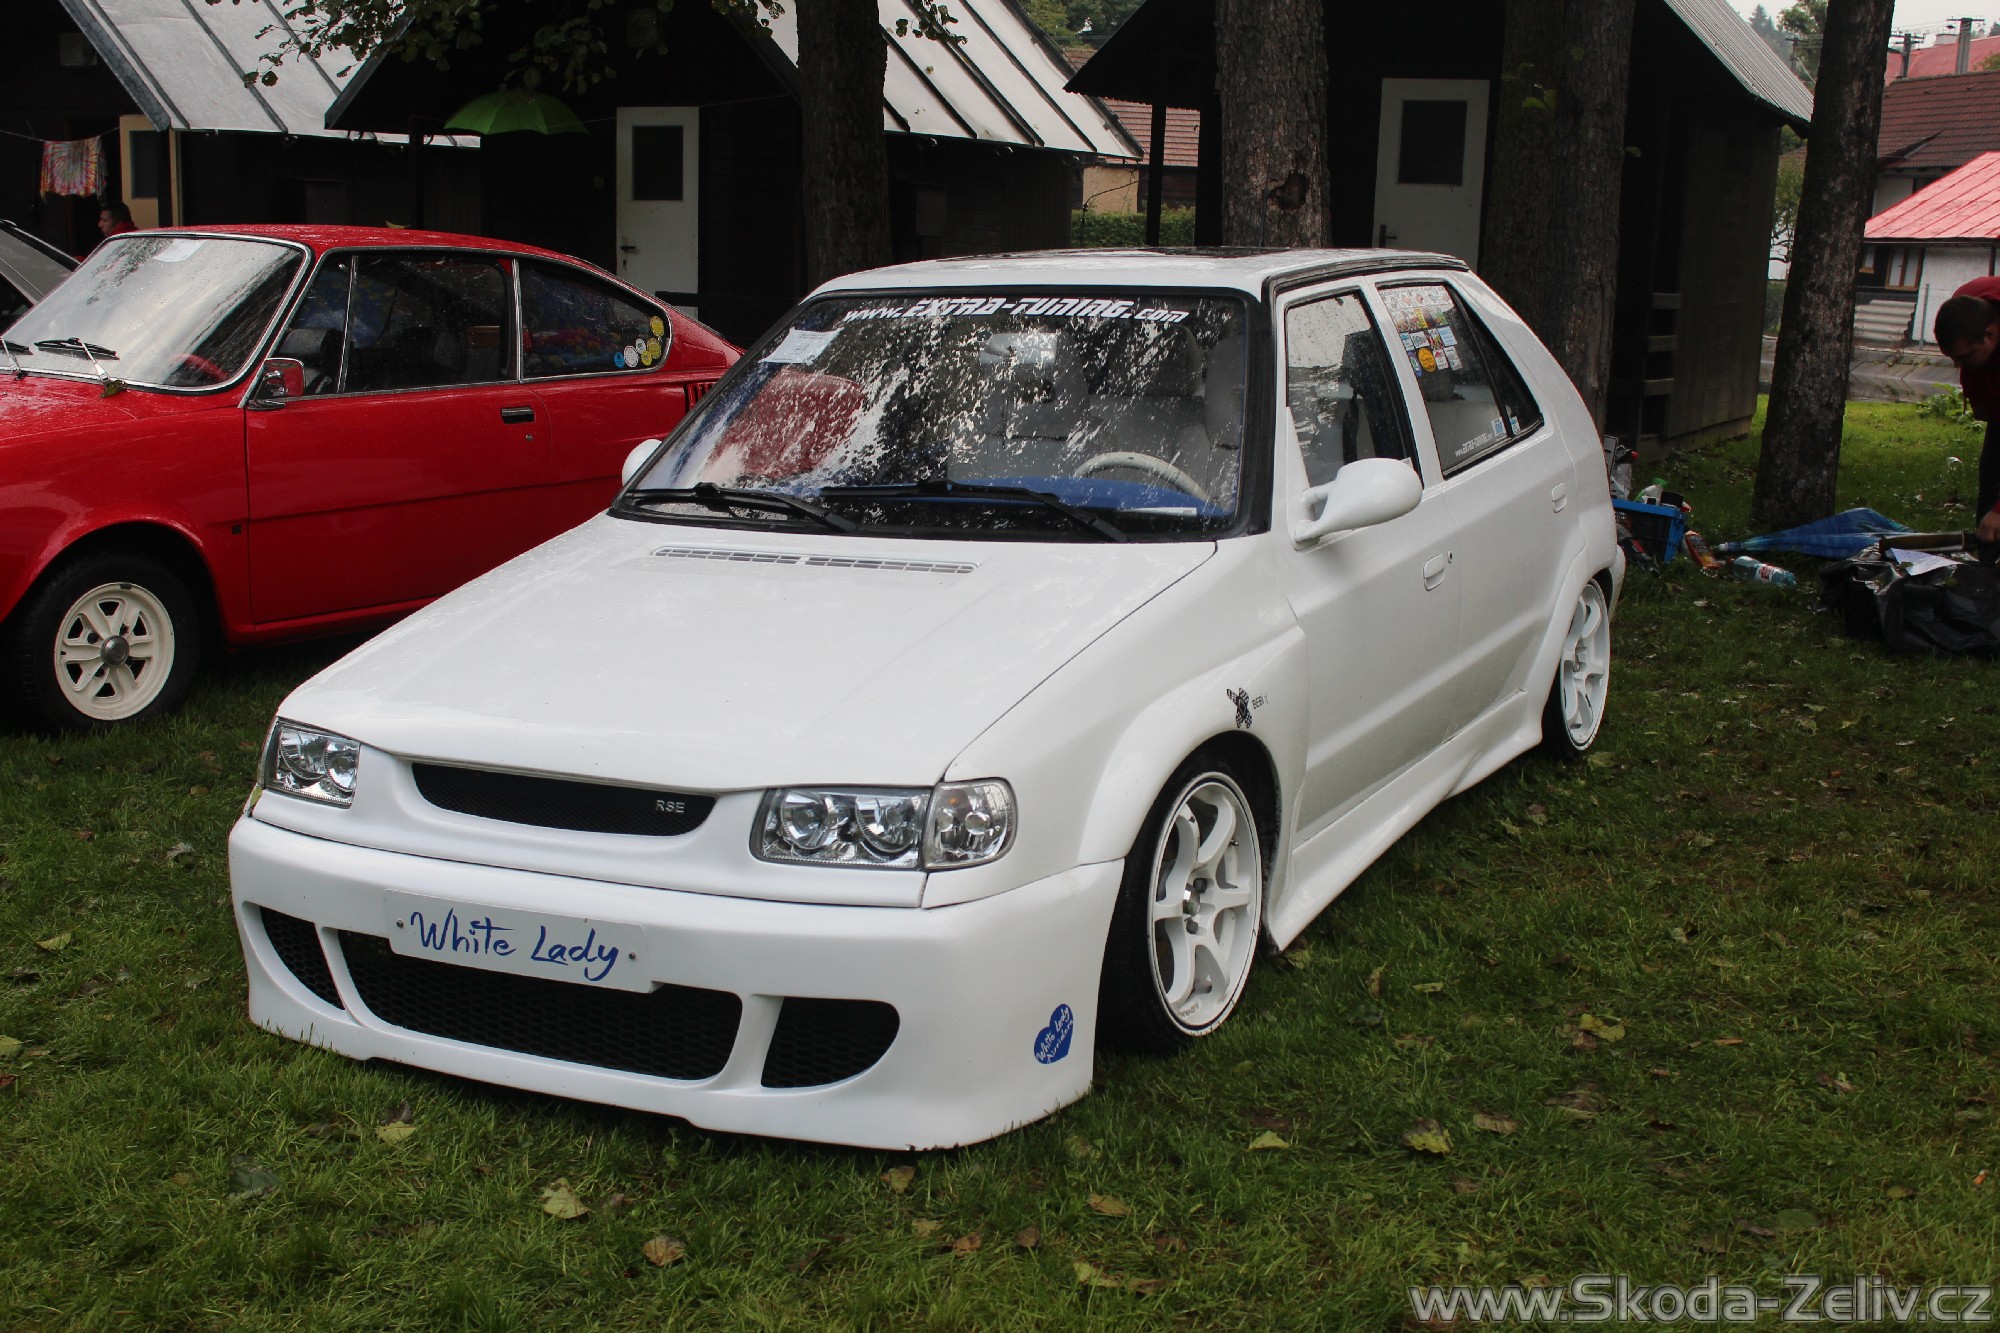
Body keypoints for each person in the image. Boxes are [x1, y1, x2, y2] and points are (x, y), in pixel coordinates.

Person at [1933, 277, 2000, 545]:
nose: (1957, 366)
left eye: (1965, 357)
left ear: (1990, 335)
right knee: (1992, 468)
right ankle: (1990, 555)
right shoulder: (1965, 303)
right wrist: (1978, 398)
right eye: (1953, 358)